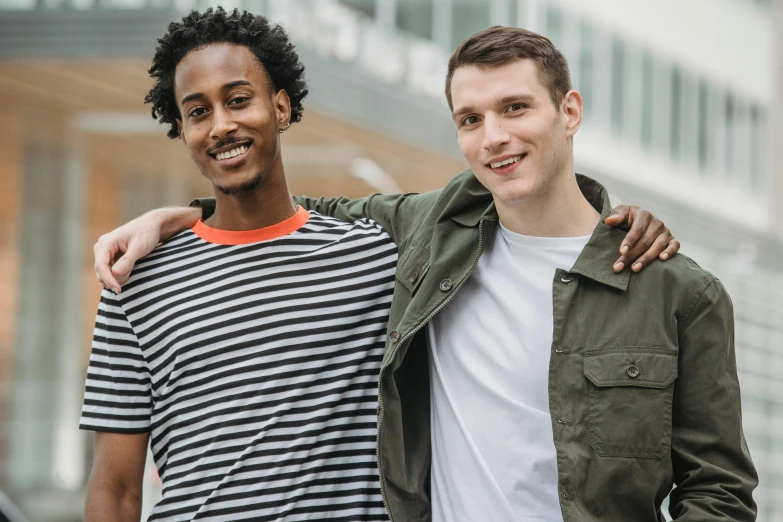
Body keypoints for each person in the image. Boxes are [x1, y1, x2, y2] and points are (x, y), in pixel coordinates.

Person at [90, 23, 751, 522]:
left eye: (514, 108)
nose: (492, 137)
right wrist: (183, 214)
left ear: (568, 112)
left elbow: (717, 490)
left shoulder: (675, 290)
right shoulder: (425, 240)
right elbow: (286, 212)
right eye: (470, 119)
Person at [80, 9, 397, 521]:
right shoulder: (134, 281)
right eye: (198, 111)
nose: (222, 125)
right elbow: (115, 489)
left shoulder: (374, 259)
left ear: (281, 107)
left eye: (238, 100)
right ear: (181, 128)